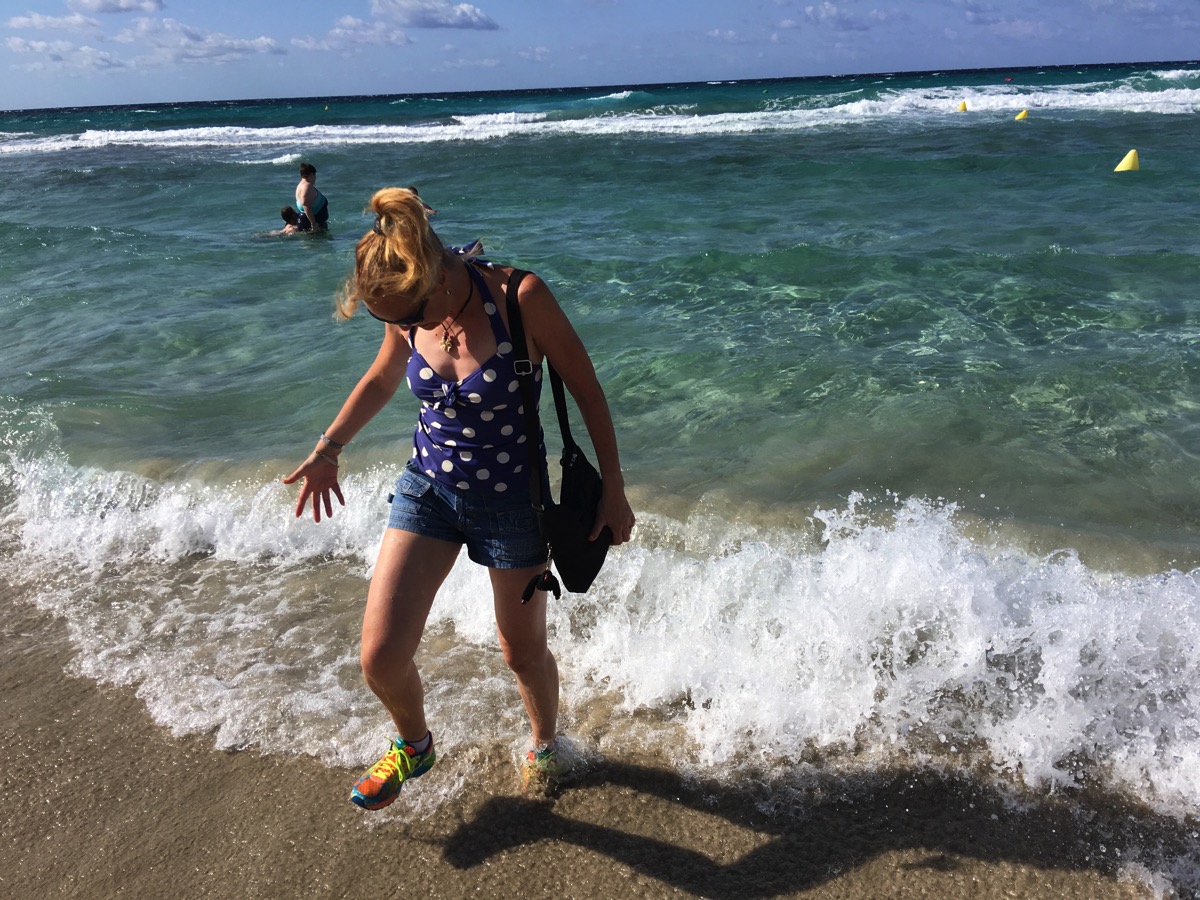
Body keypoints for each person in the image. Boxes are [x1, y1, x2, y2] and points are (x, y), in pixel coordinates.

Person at [282, 187, 635, 810]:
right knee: (380, 657)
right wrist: (329, 447)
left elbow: (587, 388)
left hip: (512, 505)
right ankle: (413, 745)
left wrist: (614, 488)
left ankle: (545, 744)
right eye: (387, 320)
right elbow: (383, 376)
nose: (399, 328)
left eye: (402, 315)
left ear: (432, 280)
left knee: (520, 652)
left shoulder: (519, 297)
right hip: (428, 488)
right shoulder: (407, 310)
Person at [295, 162, 329, 232]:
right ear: (311, 174)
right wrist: (314, 223)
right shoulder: (306, 186)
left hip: (307, 222)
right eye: (315, 175)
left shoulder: (300, 186)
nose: (315, 178)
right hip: (313, 225)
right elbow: (305, 204)